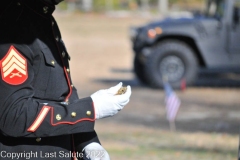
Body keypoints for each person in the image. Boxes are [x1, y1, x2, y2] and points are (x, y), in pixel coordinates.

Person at [0, 0, 131, 160]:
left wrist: (87, 141)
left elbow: (61, 92)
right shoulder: (13, 23)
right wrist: (91, 109)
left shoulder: (43, 18)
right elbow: (14, 114)